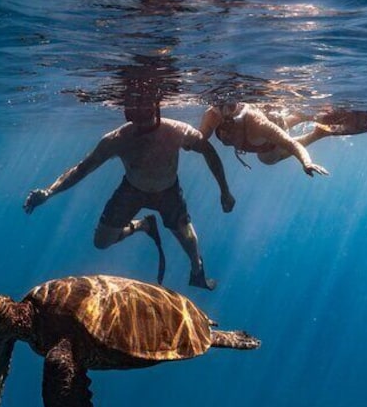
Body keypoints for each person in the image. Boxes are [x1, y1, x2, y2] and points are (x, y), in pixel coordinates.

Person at [24, 95, 235, 290]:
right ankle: (142, 226)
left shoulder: (176, 131)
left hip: (167, 191)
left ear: (156, 107)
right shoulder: (118, 138)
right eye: (135, 114)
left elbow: (208, 150)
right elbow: (82, 169)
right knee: (102, 242)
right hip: (133, 189)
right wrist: (49, 192)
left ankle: (197, 270)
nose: (141, 122)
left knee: (188, 240)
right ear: (128, 113)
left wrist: (225, 190)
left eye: (145, 113)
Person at [198, 101, 367, 176]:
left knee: (268, 156)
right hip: (266, 140)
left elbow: (291, 143)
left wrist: (306, 162)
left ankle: (315, 123)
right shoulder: (213, 117)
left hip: (273, 126)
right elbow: (198, 138)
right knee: (266, 156)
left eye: (231, 137)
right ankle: (317, 131)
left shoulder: (257, 124)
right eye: (225, 141)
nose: (229, 141)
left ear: (237, 128)